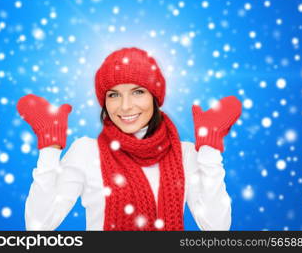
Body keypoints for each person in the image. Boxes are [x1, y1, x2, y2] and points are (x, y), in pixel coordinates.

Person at [16, 47, 242, 231]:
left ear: (155, 97)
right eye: (114, 95)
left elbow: (217, 228)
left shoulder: (185, 154)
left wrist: (210, 147)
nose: (125, 106)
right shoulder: (86, 151)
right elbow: (39, 226)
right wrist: (50, 147)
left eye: (138, 92)